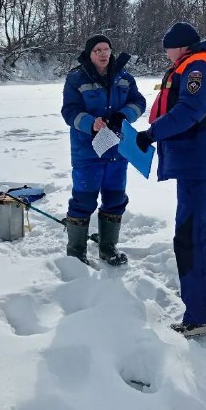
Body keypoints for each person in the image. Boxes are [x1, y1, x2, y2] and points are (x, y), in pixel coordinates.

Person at [135, 22, 206, 337]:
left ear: (178, 46)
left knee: (191, 236)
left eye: (167, 48)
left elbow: (191, 110)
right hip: (203, 160)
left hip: (199, 161)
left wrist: (151, 134)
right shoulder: (202, 62)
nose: (166, 54)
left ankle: (202, 315)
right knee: (204, 230)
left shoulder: (199, 65)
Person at [61, 34, 147, 266]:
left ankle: (108, 248)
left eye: (106, 49)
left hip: (117, 151)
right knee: (83, 200)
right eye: (97, 50)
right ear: (89, 54)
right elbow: (69, 111)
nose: (103, 53)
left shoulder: (124, 77)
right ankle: (76, 253)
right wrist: (91, 123)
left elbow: (139, 103)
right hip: (87, 152)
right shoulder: (76, 78)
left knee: (115, 199)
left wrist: (122, 115)